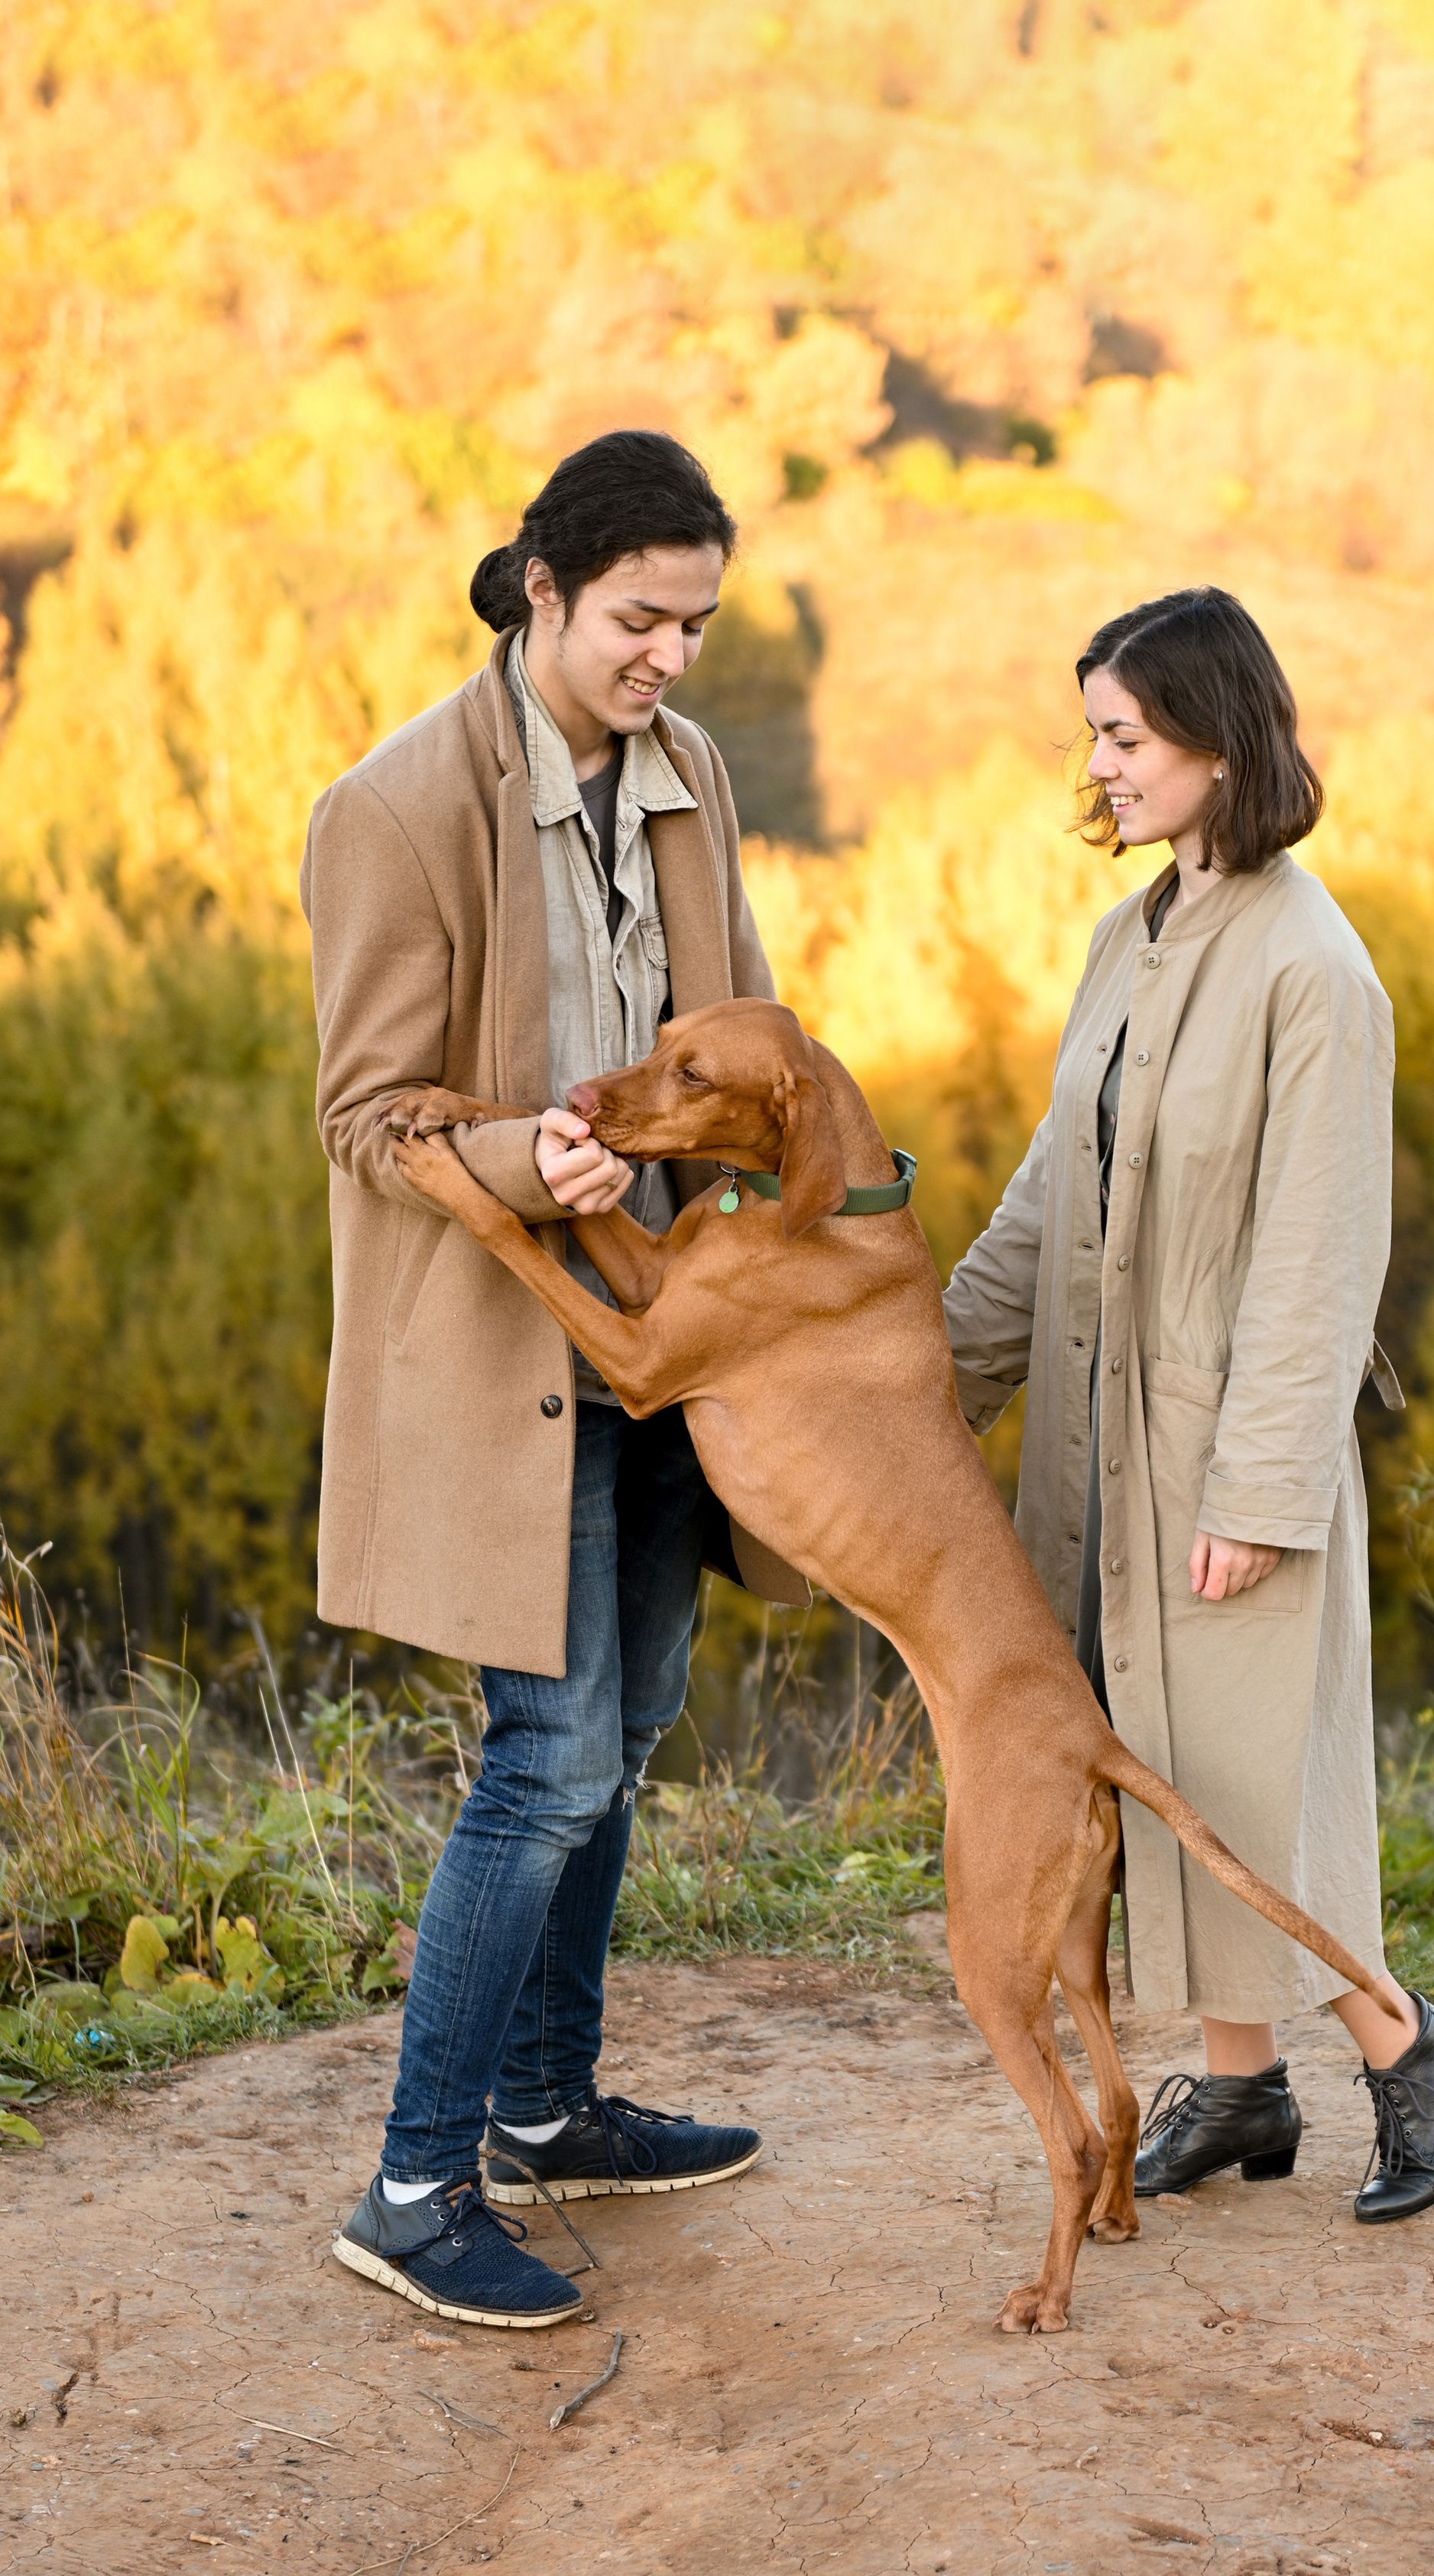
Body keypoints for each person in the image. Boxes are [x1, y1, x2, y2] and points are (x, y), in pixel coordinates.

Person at [303, 430, 808, 2330]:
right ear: (542, 590)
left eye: (694, 620)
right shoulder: (396, 808)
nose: (669, 654)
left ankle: (545, 2104)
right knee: (547, 1764)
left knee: (639, 1723)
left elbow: (742, 1032)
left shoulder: (694, 778)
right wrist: (534, 1157)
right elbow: (367, 1115)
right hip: (511, 1364)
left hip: (668, 1348)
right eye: (638, 619)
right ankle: (418, 2184)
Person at [942, 589, 1434, 2222]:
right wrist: (934, 1379)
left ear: (1213, 739)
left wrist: (1254, 1492)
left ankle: (1408, 2043)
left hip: (1219, 1463)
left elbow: (1323, 1257)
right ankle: (1243, 2089)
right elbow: (1051, 1194)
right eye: (1093, 737)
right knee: (1147, 1761)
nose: (1097, 767)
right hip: (1098, 1452)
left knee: (1237, 1782)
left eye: (1123, 736)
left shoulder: (1314, 969)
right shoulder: (1132, 935)